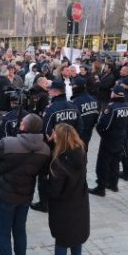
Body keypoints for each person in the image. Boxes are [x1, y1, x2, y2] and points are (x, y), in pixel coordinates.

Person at [0, 114, 51, 255]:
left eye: (22, 122)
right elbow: (43, 172)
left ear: (24, 127)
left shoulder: (8, 143)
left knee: (3, 234)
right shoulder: (45, 149)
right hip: (25, 195)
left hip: (5, 194)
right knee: (20, 231)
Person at [41, 123, 89, 255]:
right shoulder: (80, 152)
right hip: (80, 202)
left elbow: (54, 191)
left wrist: (43, 183)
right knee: (77, 236)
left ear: (59, 137)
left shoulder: (59, 163)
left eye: (54, 133)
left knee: (62, 238)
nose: (52, 134)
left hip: (63, 206)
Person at [32, 80, 82, 212]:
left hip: (53, 148)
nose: (48, 91)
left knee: (45, 174)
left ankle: (44, 203)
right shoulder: (73, 106)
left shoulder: (51, 109)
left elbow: (46, 131)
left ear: (56, 91)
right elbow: (80, 128)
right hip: (71, 148)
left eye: (50, 89)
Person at [89, 85, 128, 196]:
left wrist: (103, 135)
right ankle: (113, 184)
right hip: (121, 138)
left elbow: (103, 126)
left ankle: (101, 187)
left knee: (103, 163)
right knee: (115, 162)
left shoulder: (111, 108)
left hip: (109, 139)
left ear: (114, 94)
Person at [71, 77, 99, 149]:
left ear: (78, 87)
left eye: (73, 86)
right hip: (88, 132)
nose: (72, 88)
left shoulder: (75, 102)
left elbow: (72, 121)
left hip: (77, 134)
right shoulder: (93, 100)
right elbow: (96, 118)